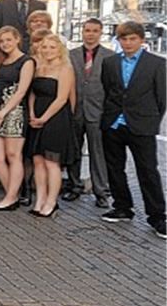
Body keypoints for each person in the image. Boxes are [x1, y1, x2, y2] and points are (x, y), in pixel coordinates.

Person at [98, 21, 166, 238]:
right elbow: (109, 90)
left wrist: (151, 120)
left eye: (132, 39)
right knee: (114, 167)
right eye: (124, 39)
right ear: (119, 41)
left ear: (141, 40)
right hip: (114, 123)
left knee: (147, 170)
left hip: (141, 124)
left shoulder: (156, 63)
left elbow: (162, 97)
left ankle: (157, 216)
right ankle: (122, 207)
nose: (128, 43)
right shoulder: (110, 63)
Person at [0, 26, 35, 211]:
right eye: (2, 41)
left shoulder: (26, 61)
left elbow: (21, 91)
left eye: (8, 40)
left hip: (14, 112)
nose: (5, 44)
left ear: (17, 39)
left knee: (13, 155)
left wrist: (3, 113)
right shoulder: (1, 61)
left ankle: (11, 197)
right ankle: (11, 195)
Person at [67, 18, 114, 207]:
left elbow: (113, 87)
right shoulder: (71, 55)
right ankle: (74, 186)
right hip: (75, 110)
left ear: (100, 33)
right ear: (82, 32)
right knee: (74, 151)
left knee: (98, 153)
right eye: (87, 30)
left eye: (95, 30)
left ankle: (101, 192)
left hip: (98, 112)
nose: (90, 34)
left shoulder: (110, 57)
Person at [27, 31, 75, 218]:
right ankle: (40, 199)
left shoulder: (65, 69)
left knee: (51, 162)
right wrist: (32, 113)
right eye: (45, 47)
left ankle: (51, 201)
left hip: (55, 119)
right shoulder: (38, 67)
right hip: (36, 116)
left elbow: (62, 99)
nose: (47, 50)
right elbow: (32, 93)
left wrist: (44, 118)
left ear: (60, 49)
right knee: (37, 160)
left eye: (52, 47)